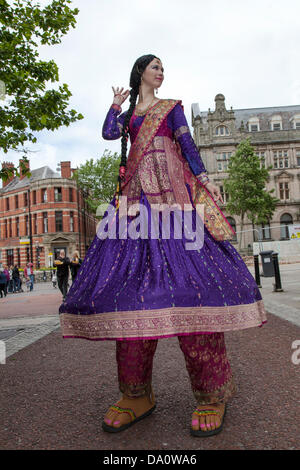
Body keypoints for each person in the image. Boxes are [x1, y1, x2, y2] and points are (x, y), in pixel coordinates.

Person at [59, 54, 267, 438]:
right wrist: (116, 105)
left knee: (196, 290)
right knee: (128, 294)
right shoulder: (130, 116)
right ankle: (136, 393)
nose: (161, 72)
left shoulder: (172, 109)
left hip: (175, 205)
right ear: (142, 73)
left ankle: (211, 393)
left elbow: (187, 145)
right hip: (135, 209)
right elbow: (109, 134)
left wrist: (205, 179)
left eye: (163, 68)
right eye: (155, 67)